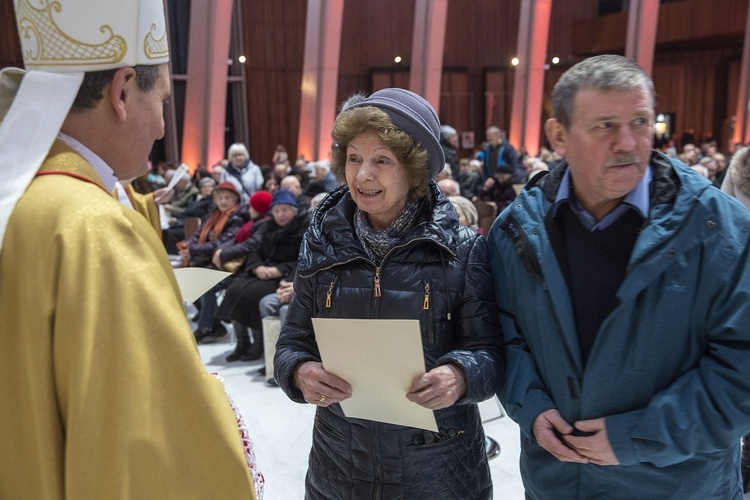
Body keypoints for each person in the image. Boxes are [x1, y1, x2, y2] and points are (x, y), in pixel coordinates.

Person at [0, 0, 258, 498]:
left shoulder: (23, 199)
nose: (163, 127)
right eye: (161, 100)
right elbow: (143, 449)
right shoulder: (94, 228)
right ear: (120, 91)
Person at [487, 54, 750, 499]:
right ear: (559, 136)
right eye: (604, 125)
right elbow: (503, 335)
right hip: (559, 482)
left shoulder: (718, 229)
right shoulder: (516, 230)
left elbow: (741, 368)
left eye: (641, 121)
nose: (628, 142)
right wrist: (529, 405)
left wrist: (637, 435)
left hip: (680, 487)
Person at [274, 88, 503, 499]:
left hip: (437, 469)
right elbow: (293, 341)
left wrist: (459, 375)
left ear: (414, 170)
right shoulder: (322, 240)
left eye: (381, 161)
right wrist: (299, 372)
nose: (363, 175)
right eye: (355, 159)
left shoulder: (463, 248)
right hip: (341, 465)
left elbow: (488, 348)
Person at [217, 189, 309, 362]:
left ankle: (258, 344)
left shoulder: (303, 230)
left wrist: (280, 269)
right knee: (234, 288)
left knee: (251, 295)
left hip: (285, 277)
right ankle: (242, 342)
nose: (281, 214)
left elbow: (305, 259)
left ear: (294, 211)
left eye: (285, 210)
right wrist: (257, 266)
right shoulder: (268, 227)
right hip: (263, 272)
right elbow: (255, 251)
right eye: (277, 210)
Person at [179, 182, 245, 342]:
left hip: (228, 264)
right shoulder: (214, 214)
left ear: (235, 200)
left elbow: (219, 244)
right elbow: (198, 234)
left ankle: (206, 326)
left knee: (205, 285)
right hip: (209, 261)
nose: (223, 201)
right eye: (220, 198)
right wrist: (188, 245)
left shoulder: (237, 218)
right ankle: (214, 324)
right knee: (185, 281)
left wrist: (192, 250)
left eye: (227, 198)